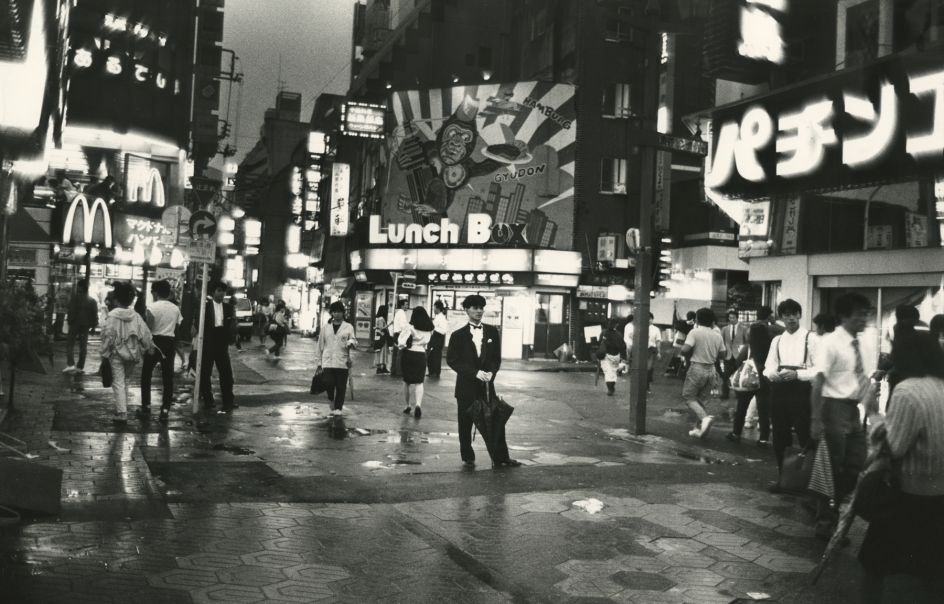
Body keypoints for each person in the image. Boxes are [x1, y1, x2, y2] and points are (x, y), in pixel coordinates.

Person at [858, 330, 944, 603]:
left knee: (874, 565)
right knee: (931, 568)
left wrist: (873, 413)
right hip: (939, 494)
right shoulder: (940, 385)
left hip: (908, 495)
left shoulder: (908, 391)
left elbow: (894, 447)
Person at [810, 292, 880, 539]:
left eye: (866, 314)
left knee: (856, 465)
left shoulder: (863, 344)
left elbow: (863, 380)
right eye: (860, 314)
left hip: (852, 410)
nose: (865, 319)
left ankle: (824, 503)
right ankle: (825, 519)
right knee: (831, 467)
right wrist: (816, 419)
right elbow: (818, 382)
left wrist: (873, 413)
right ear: (844, 315)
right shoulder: (829, 343)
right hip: (832, 408)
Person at [447, 294, 520, 468]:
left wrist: (491, 373)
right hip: (466, 386)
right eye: (474, 307)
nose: (479, 311)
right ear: (466, 310)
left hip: (487, 386)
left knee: (496, 421)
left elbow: (496, 358)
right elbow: (452, 360)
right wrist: (474, 373)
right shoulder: (457, 335)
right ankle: (467, 455)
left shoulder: (492, 331)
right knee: (465, 423)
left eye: (481, 307)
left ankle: (501, 457)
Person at [760, 299, 816, 487]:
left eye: (794, 314)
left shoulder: (811, 338)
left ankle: (808, 481)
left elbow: (821, 369)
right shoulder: (777, 340)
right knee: (780, 435)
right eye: (786, 314)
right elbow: (768, 366)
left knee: (805, 434)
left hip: (801, 389)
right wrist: (771, 374)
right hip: (780, 390)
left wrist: (798, 374)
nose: (791, 318)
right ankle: (784, 479)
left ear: (800, 315)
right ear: (781, 317)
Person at [99, 282, 154, 424]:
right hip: (133, 354)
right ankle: (122, 408)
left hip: (116, 354)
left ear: (116, 300)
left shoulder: (112, 317)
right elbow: (145, 334)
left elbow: (108, 337)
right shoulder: (135, 316)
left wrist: (104, 354)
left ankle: (122, 413)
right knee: (125, 381)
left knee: (118, 382)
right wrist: (149, 347)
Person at [681, 307, 725, 439]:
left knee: (688, 397)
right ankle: (698, 429)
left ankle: (705, 419)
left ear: (697, 319)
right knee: (701, 400)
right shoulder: (717, 335)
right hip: (711, 370)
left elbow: (685, 349)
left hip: (697, 368)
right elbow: (723, 354)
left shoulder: (694, 332)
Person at [141, 280, 182, 423]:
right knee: (168, 378)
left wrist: (146, 345)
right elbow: (177, 330)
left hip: (154, 342)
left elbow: (148, 328)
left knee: (146, 375)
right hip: (169, 343)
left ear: (156, 292)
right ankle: (165, 409)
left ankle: (146, 406)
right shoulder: (175, 309)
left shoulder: (152, 307)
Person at [195, 281, 237, 413]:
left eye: (223, 291)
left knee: (226, 374)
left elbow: (232, 325)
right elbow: (197, 324)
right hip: (208, 341)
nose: (222, 293)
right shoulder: (205, 307)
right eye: (219, 290)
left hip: (222, 342)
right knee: (205, 372)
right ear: (213, 292)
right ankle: (208, 400)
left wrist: (232, 337)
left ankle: (228, 401)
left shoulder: (229, 308)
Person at [313, 301, 357, 416]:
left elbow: (354, 340)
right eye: (334, 312)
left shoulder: (348, 327)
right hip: (327, 361)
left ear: (343, 313)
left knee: (341, 387)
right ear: (331, 313)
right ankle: (331, 399)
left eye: (339, 312)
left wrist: (351, 342)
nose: (337, 314)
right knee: (328, 382)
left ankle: (338, 409)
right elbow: (320, 345)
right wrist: (319, 362)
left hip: (342, 362)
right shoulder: (325, 328)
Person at [399, 305, 434, 417]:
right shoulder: (429, 328)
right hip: (421, 355)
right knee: (419, 382)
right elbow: (428, 342)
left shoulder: (409, 327)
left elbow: (401, 342)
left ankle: (408, 405)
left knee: (406, 381)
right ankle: (418, 405)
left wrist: (401, 345)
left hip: (409, 354)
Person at [63, 280, 99, 374]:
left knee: (70, 344)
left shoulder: (74, 298)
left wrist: (69, 321)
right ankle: (80, 367)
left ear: (80, 287)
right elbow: (94, 314)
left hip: (74, 324)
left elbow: (70, 311)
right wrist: (94, 326)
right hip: (85, 325)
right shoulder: (92, 301)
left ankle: (70, 365)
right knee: (83, 346)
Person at [624, 312, 663, 389]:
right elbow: (631, 336)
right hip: (640, 350)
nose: (649, 320)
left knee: (648, 368)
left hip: (651, 350)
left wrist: (659, 352)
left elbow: (658, 341)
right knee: (640, 368)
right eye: (647, 319)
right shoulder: (639, 327)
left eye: (650, 319)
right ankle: (641, 384)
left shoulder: (656, 329)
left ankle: (646, 384)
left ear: (652, 319)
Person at [719, 309, 747, 400]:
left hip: (739, 356)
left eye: (733, 317)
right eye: (730, 317)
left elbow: (746, 342)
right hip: (728, 355)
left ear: (737, 318)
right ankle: (725, 394)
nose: (731, 319)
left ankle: (739, 394)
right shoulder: (724, 329)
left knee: (738, 375)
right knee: (726, 376)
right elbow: (721, 342)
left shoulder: (743, 329)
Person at [601, 318, 627, 396]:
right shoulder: (619, 334)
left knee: (608, 372)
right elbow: (623, 346)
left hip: (606, 355)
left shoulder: (604, 333)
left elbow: (599, 343)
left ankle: (610, 388)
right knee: (613, 372)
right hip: (616, 355)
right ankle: (611, 387)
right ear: (616, 325)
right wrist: (624, 357)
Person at [427, 301, 449, 378]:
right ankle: (432, 371)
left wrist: (433, 327)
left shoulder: (442, 318)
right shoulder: (437, 317)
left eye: (434, 307)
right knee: (431, 356)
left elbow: (443, 330)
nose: (433, 309)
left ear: (438, 308)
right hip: (434, 337)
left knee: (436, 356)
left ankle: (435, 372)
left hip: (438, 338)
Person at [390, 298, 409, 377]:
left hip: (396, 334)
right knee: (399, 353)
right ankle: (399, 371)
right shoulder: (401, 313)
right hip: (399, 334)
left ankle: (394, 370)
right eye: (406, 304)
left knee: (395, 354)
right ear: (402, 305)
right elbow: (403, 326)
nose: (407, 306)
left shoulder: (398, 312)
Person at [373, 305, 390, 374]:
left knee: (381, 352)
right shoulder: (381, 319)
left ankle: (382, 367)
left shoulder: (380, 318)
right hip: (382, 338)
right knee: (382, 352)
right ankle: (381, 367)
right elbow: (381, 328)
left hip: (380, 338)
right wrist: (389, 325)